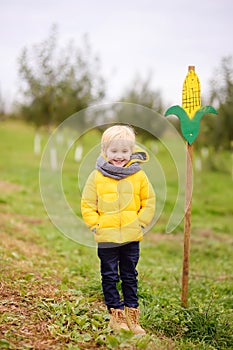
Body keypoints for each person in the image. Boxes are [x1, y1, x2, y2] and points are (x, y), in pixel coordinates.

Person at [81, 125, 155, 334]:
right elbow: (87, 203)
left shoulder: (138, 175)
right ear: (105, 151)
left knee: (130, 274)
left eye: (124, 151)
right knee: (110, 275)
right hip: (107, 237)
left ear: (131, 151)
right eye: (114, 151)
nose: (119, 156)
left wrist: (140, 223)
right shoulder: (97, 176)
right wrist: (96, 224)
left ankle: (133, 316)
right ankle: (116, 315)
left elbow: (148, 200)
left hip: (131, 237)